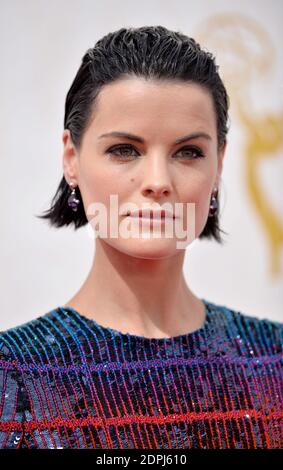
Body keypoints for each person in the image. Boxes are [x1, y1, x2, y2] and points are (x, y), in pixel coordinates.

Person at [0, 25, 282, 449]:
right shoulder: (13, 373)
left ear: (219, 164)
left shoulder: (274, 360)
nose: (157, 181)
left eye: (188, 152)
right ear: (71, 159)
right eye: (124, 150)